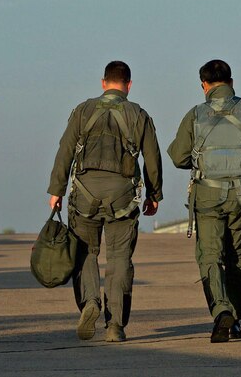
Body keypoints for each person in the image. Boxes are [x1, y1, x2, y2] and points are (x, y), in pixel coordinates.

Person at [168, 59, 241, 343]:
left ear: (204, 86)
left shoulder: (195, 114)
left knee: (210, 256)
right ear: (231, 82)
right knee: (238, 256)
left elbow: (177, 156)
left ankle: (221, 309)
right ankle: (235, 319)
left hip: (208, 196)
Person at [47, 60, 163, 343]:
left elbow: (65, 152)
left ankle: (90, 303)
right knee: (120, 258)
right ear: (129, 85)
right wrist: (154, 194)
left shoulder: (82, 110)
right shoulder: (139, 114)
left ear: (103, 83)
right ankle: (115, 326)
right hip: (122, 196)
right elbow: (152, 158)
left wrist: (56, 191)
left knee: (85, 253)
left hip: (85, 194)